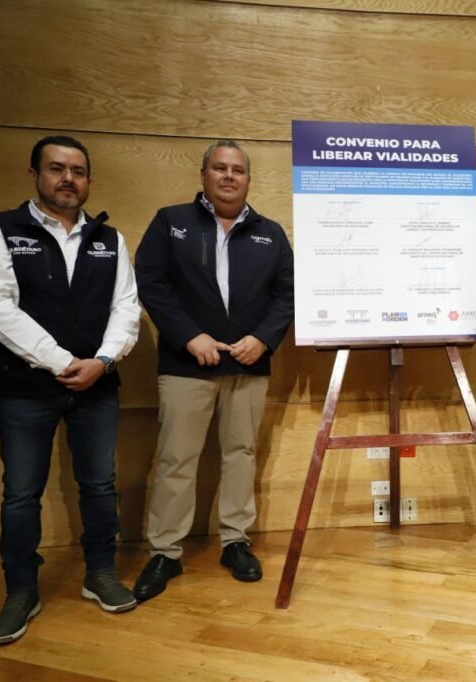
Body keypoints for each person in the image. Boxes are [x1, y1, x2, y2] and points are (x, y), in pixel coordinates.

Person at [0, 135, 141, 645]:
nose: (68, 179)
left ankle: (100, 573)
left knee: (100, 485)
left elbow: (126, 308)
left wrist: (102, 362)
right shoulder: (0, 229)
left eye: (78, 171)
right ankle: (21, 591)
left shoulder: (109, 239)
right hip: (24, 389)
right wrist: (64, 362)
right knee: (21, 493)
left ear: (88, 180)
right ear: (34, 175)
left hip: (98, 385)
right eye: (56, 168)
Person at [133, 140, 294, 601]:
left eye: (237, 170)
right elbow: (151, 282)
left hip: (248, 364)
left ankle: (235, 541)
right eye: (220, 168)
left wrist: (263, 339)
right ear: (203, 175)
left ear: (248, 179)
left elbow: (287, 294)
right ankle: (165, 552)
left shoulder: (270, 234)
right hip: (186, 365)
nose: (228, 176)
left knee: (241, 453)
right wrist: (189, 336)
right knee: (176, 460)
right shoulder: (171, 222)